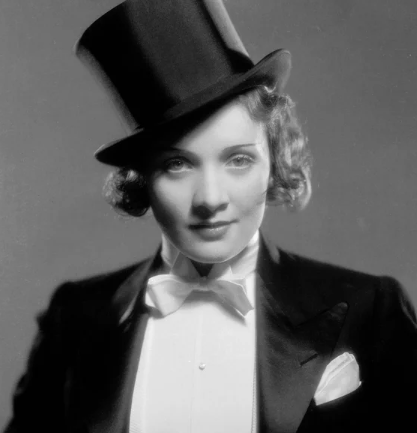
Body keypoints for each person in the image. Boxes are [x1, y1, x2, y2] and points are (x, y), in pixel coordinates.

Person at [4, 0, 417, 432]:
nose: (210, 198)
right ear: (141, 178)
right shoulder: (74, 319)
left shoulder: (370, 310)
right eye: (177, 164)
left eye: (238, 160)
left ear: (274, 160)